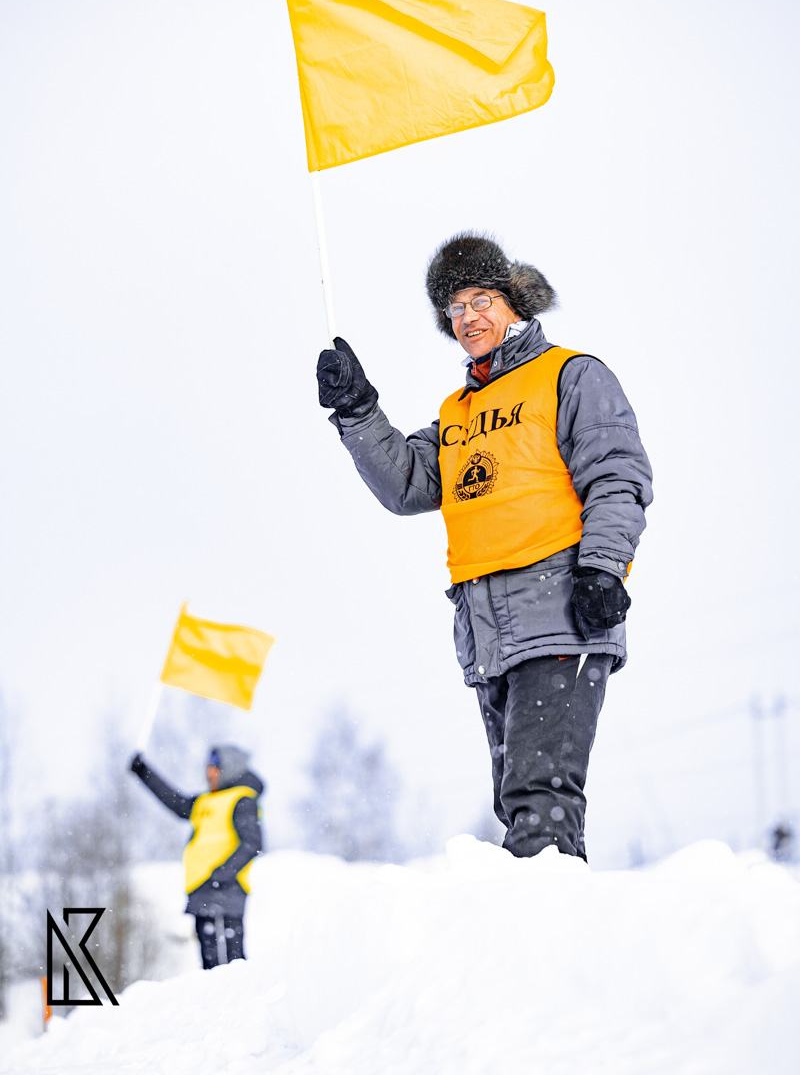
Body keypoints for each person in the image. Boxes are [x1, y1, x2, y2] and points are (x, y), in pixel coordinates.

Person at [316, 232, 653, 861]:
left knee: (538, 804)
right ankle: (545, 942)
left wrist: (604, 569)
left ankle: (540, 944)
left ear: (513, 301)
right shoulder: (458, 413)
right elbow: (406, 482)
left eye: (479, 299)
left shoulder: (571, 376)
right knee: (521, 807)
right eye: (454, 308)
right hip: (488, 635)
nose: (468, 317)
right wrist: (358, 410)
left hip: (562, 614)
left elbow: (617, 474)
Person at [129, 744, 264, 967]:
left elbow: (252, 844)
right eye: (209, 767)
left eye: (215, 767)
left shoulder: (242, 800)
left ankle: (238, 1002)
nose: (209, 772)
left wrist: (221, 875)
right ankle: (216, 1003)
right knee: (210, 964)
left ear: (229, 769)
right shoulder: (203, 802)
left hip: (226, 891)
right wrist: (144, 772)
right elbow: (174, 801)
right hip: (201, 889)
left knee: (232, 963)